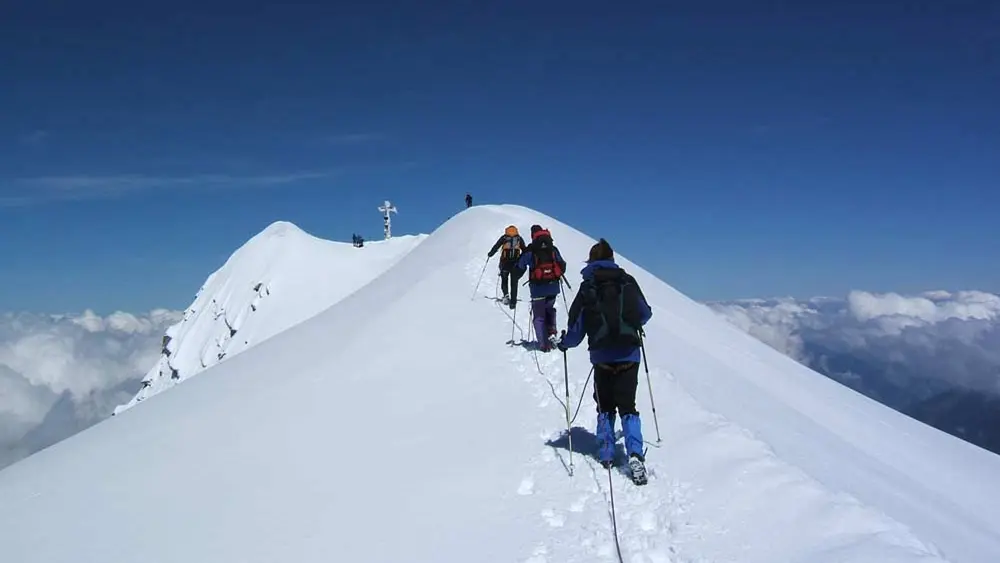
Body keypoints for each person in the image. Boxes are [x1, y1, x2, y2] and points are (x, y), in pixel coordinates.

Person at [557, 238, 652, 482]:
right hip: (629, 354)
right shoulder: (627, 281)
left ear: (591, 261)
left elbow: (576, 329)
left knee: (605, 406)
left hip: (601, 358)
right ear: (611, 259)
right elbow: (645, 313)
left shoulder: (587, 287)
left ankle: (607, 451)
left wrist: (564, 343)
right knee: (628, 406)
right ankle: (635, 454)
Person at [514, 225, 567, 351]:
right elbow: (562, 265)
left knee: (538, 316)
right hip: (553, 287)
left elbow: (520, 267)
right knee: (549, 308)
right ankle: (552, 332)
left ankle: (544, 345)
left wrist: (514, 275)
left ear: (532, 235)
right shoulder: (552, 248)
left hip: (537, 288)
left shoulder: (531, 250)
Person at [487, 225, 527, 308]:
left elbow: (496, 246)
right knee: (513, 282)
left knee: (504, 279)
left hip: (504, 263)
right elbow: (525, 250)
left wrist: (490, 254)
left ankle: (506, 295)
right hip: (515, 263)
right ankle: (513, 300)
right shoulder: (519, 238)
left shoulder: (504, 237)